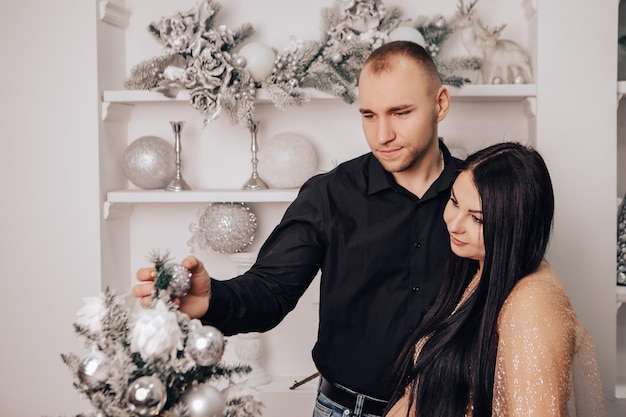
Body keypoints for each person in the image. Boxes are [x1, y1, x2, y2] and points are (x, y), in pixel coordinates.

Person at [132, 40, 459, 417]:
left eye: (400, 113)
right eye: (369, 115)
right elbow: (271, 289)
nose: (381, 134)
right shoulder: (329, 194)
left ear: (440, 104)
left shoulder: (480, 194)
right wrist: (212, 300)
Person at [384, 142, 606, 417]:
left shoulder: (534, 306)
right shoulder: (479, 268)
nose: (453, 223)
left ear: (515, 225)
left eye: (477, 219)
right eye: (454, 201)